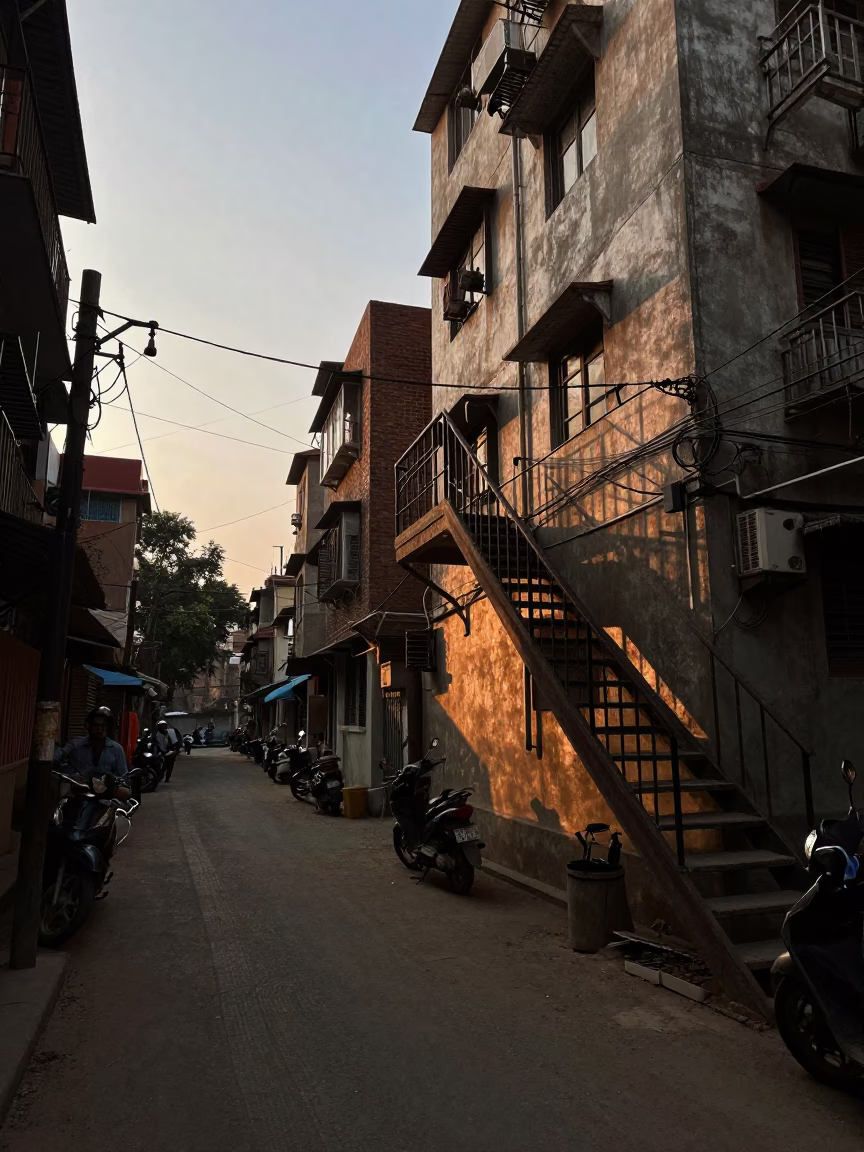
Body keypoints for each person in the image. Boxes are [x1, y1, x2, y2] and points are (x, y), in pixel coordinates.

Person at [54, 707, 131, 799]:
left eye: (104, 725)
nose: (99, 729)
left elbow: (124, 781)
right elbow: (55, 760)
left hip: (104, 800)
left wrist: (112, 784)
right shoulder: (75, 745)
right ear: (89, 726)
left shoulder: (117, 749)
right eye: (96, 725)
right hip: (78, 796)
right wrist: (71, 775)